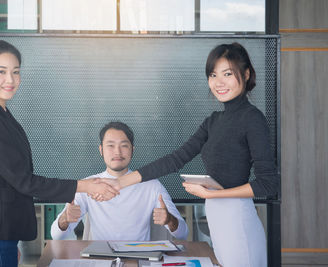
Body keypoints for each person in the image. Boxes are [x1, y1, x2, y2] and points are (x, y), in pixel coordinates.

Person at [101, 43, 279, 267]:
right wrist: (120, 183)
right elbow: (175, 159)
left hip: (238, 221)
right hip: (218, 220)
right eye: (213, 75)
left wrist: (211, 194)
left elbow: (268, 184)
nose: (218, 82)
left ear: (246, 74)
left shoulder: (253, 119)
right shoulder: (213, 121)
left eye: (227, 74)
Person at [0, 40, 118, 266]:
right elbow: (24, 181)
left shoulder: (0, 113)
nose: (10, 80)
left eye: (16, 72)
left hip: (3, 234)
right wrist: (87, 185)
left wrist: (12, 243)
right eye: (1, 72)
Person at [51, 121, 188, 241]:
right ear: (101, 150)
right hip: (100, 260)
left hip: (139, 259)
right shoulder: (88, 185)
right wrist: (65, 219)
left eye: (124, 145)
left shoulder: (151, 185)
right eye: (110, 145)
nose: (117, 152)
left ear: (132, 150)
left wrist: (169, 220)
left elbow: (183, 234)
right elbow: (56, 235)